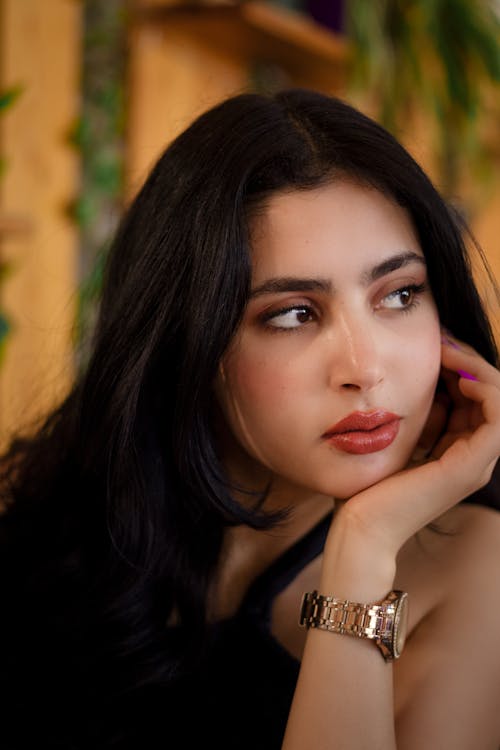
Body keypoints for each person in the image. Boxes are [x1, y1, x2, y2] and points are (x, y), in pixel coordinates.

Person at [0, 88, 499, 750]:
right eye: (292, 313)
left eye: (400, 294)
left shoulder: (472, 563)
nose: (365, 367)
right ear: (189, 341)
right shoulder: (66, 525)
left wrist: (363, 550)